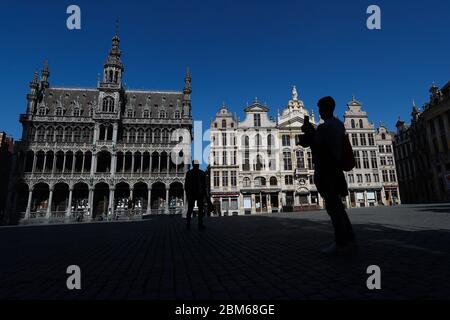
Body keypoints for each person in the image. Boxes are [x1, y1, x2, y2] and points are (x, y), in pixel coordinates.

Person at [300, 96, 356, 255]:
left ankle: (342, 243)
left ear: (325, 109)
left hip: (326, 169)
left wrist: (309, 133)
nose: (318, 111)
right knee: (338, 206)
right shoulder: (338, 124)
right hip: (336, 169)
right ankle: (349, 238)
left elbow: (314, 145)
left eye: (319, 108)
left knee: (333, 207)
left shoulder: (325, 128)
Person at [184, 160, 207, 230]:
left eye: (197, 165)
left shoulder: (200, 173)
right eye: (195, 165)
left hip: (198, 193)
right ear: (193, 165)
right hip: (192, 193)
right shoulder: (190, 173)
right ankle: (189, 224)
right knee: (191, 209)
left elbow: (204, 185)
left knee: (199, 209)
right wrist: (188, 194)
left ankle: (198, 224)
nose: (196, 166)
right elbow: (186, 185)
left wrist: (204, 195)